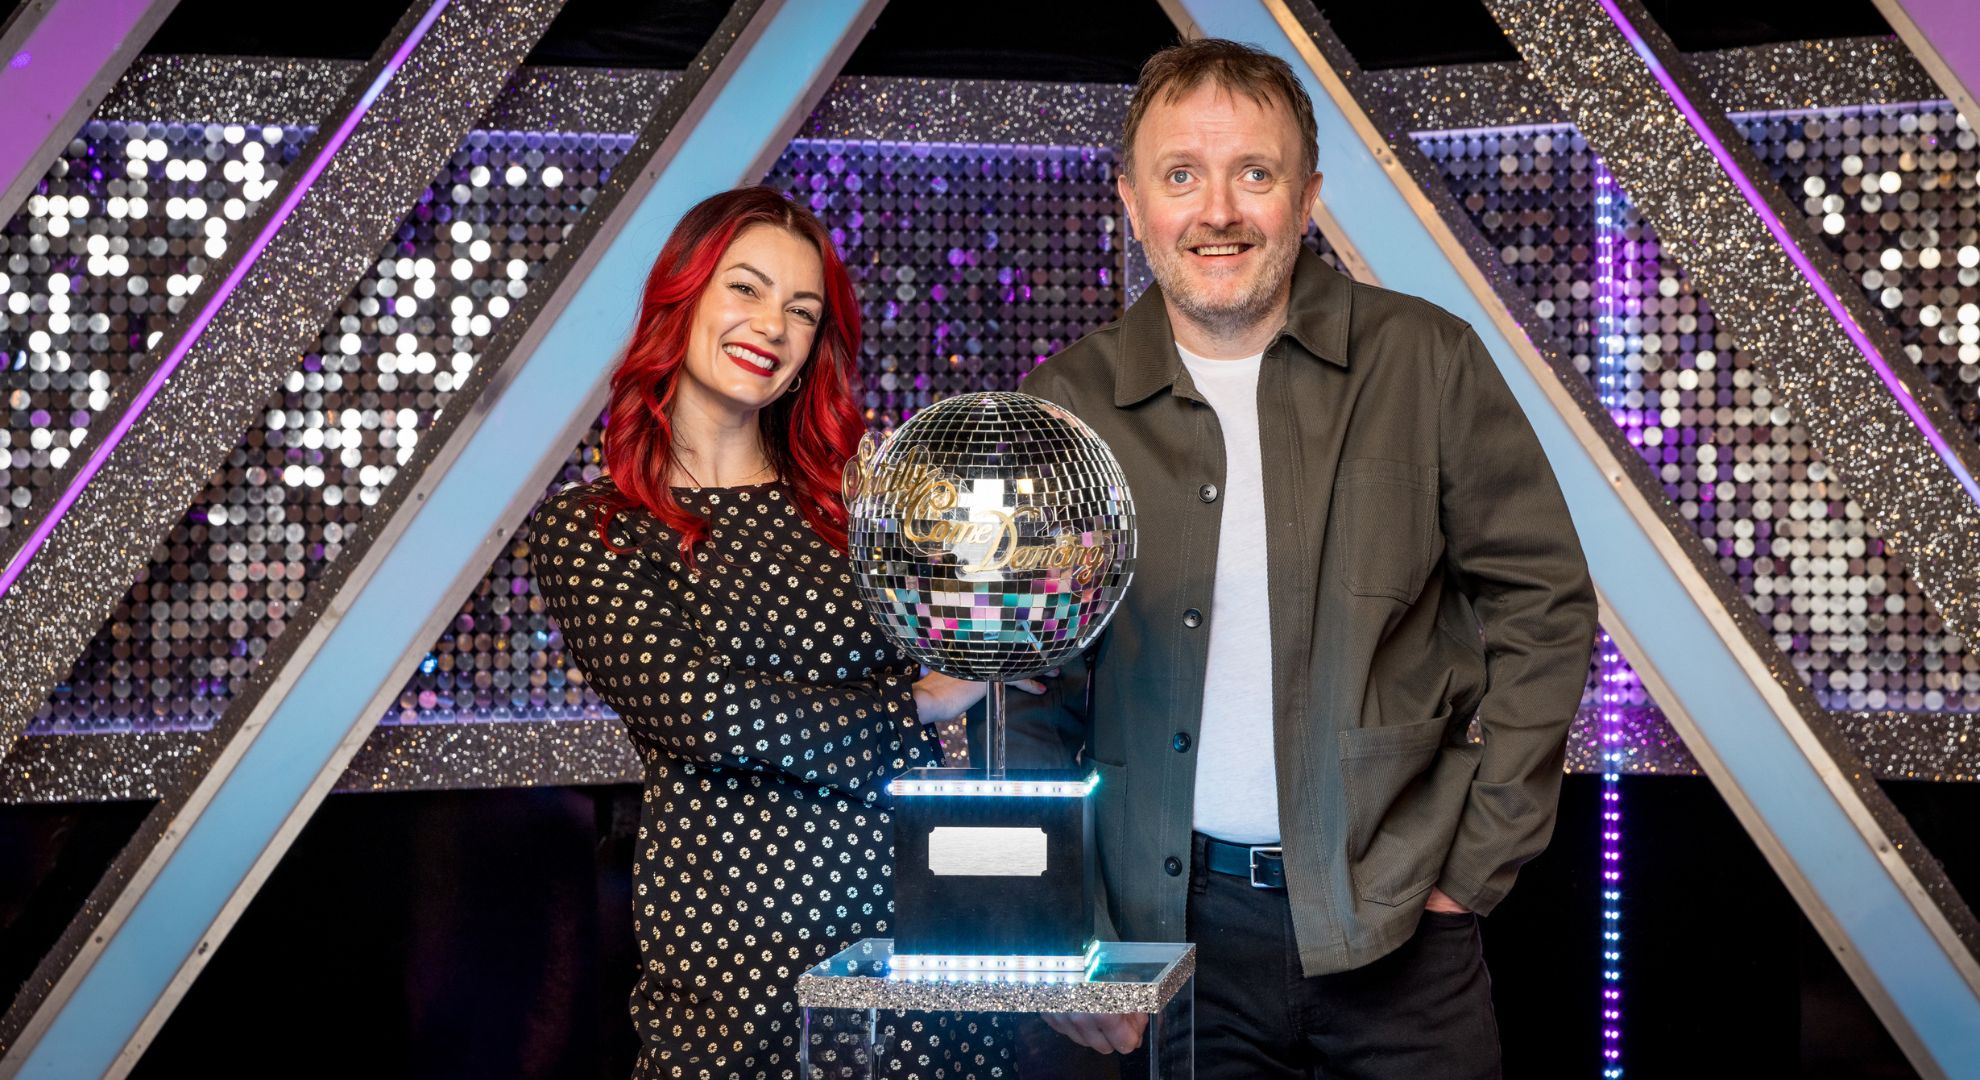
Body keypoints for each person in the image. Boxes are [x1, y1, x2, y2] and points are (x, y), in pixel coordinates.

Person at [1009, 40, 1599, 1077]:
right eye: (1181, 174)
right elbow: (1025, 686)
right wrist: (1064, 921)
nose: (1219, 210)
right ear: (1134, 201)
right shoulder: (1067, 408)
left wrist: (1474, 864)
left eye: (1257, 173)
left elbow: (1544, 605)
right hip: (1163, 942)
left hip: (1401, 930)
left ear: (1309, 195)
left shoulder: (1427, 360)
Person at [526, 186, 1027, 1078]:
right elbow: (706, 715)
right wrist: (917, 703)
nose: (773, 325)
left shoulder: (857, 508)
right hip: (736, 971)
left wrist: (1011, 619)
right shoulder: (594, 528)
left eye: (802, 310)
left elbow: (995, 641)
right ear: (682, 297)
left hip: (914, 940)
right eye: (745, 289)